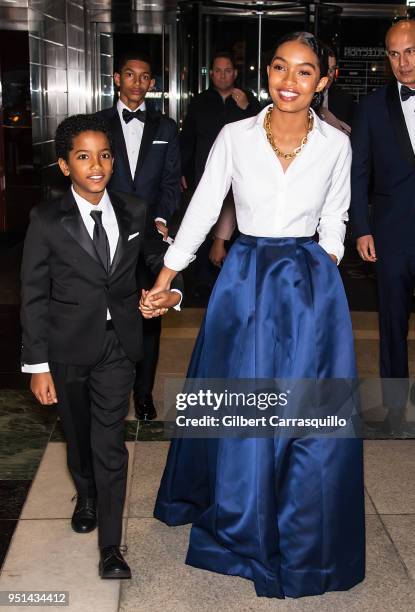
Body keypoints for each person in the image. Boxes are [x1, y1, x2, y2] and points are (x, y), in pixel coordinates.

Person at [142, 32, 365, 598]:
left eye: (304, 72)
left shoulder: (336, 144)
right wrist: (168, 275)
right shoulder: (235, 135)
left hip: (309, 284)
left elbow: (336, 218)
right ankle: (240, 518)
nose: (289, 82)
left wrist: (325, 265)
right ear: (267, 72)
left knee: (305, 410)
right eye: (279, 68)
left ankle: (301, 518)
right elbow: (203, 207)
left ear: (323, 80)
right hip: (245, 279)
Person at [20, 114, 182, 579]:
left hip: (118, 345)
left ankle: (111, 548)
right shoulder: (47, 219)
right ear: (65, 165)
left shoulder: (133, 208)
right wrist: (37, 365)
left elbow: (161, 259)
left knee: (110, 443)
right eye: (84, 156)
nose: (97, 166)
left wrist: (170, 293)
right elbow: (32, 294)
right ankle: (85, 492)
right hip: (66, 347)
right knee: (78, 439)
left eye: (105, 155)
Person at [97, 51, 181, 421]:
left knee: (150, 312)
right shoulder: (95, 123)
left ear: (152, 84)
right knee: (106, 313)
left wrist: (162, 219)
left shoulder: (165, 127)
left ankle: (143, 393)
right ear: (117, 79)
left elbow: (170, 180)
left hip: (148, 234)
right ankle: (106, 387)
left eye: (144, 77)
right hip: (105, 233)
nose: (136, 82)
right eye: (129, 75)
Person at [350, 18, 415, 435]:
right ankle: (395, 413)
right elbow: (358, 173)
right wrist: (362, 228)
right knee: (392, 324)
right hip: (392, 234)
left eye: (410, 51)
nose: (402, 62)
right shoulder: (373, 107)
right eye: (393, 53)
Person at [180, 51, 261, 294]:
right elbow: (188, 139)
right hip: (205, 175)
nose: (223, 75)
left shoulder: (249, 100)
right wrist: (182, 169)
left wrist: (247, 107)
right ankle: (203, 284)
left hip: (241, 178)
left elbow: (261, 136)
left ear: (235, 74)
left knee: (237, 231)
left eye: (228, 70)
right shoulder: (200, 101)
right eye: (218, 70)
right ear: (211, 74)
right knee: (203, 226)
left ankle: (234, 284)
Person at [318, 45, 355, 134]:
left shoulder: (345, 100)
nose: (330, 74)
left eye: (333, 69)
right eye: (326, 69)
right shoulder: (301, 96)